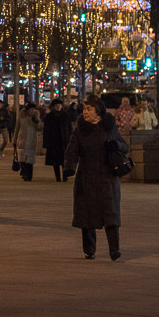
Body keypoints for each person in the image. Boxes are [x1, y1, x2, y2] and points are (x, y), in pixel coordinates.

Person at [64, 94, 127, 260]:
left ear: (98, 110)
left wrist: (116, 144)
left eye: (89, 109)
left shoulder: (109, 127)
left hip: (107, 178)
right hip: (86, 178)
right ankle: (89, 249)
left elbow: (124, 146)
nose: (85, 112)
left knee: (110, 214)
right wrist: (69, 167)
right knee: (87, 215)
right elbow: (72, 150)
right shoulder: (80, 130)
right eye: (84, 109)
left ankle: (114, 249)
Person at [14, 104, 41, 181]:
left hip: (32, 141)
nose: (32, 111)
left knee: (30, 160)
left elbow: (40, 128)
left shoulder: (36, 118)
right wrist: (14, 140)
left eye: (33, 109)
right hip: (22, 140)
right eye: (31, 109)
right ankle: (24, 173)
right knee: (22, 159)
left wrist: (37, 122)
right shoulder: (22, 117)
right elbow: (17, 128)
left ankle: (29, 175)